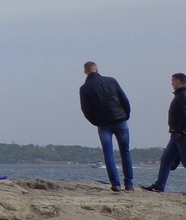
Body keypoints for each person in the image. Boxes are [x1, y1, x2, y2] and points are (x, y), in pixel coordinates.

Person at [79, 61, 135, 193]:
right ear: (97, 69)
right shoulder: (111, 81)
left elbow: (86, 109)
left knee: (108, 154)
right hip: (120, 119)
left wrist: (95, 121)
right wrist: (125, 114)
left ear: (85, 71)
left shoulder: (85, 88)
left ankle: (115, 184)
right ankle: (129, 184)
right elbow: (124, 99)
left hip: (103, 124)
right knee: (125, 152)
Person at [141, 73, 186, 194]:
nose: (171, 83)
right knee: (166, 159)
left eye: (173, 81)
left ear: (178, 81)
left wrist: (181, 130)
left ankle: (160, 185)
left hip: (181, 135)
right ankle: (159, 186)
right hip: (175, 135)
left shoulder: (182, 95)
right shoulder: (179, 95)